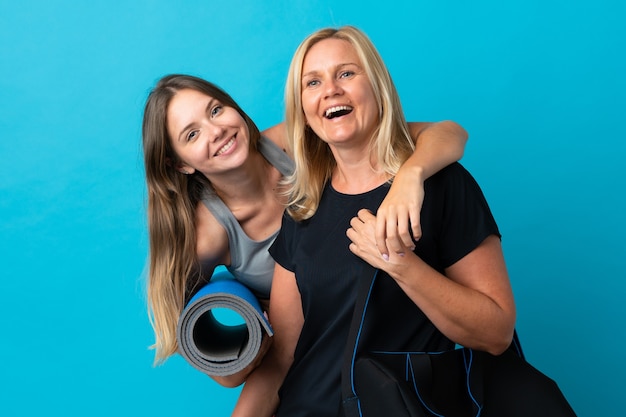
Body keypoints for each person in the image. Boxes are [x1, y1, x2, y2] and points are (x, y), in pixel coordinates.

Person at [232, 26, 516, 416]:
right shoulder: (302, 211)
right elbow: (282, 359)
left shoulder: (443, 185)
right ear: (304, 110)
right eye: (312, 82)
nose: (331, 89)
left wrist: (398, 264)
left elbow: (496, 333)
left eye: (347, 73)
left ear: (377, 86)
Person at [142, 74, 468, 388]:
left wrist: (410, 177)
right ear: (180, 164)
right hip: (312, 366)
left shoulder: (296, 141)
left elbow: (449, 133)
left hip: (395, 331)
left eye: (216, 110)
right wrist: (268, 326)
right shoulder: (209, 235)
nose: (216, 131)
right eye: (192, 134)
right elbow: (228, 374)